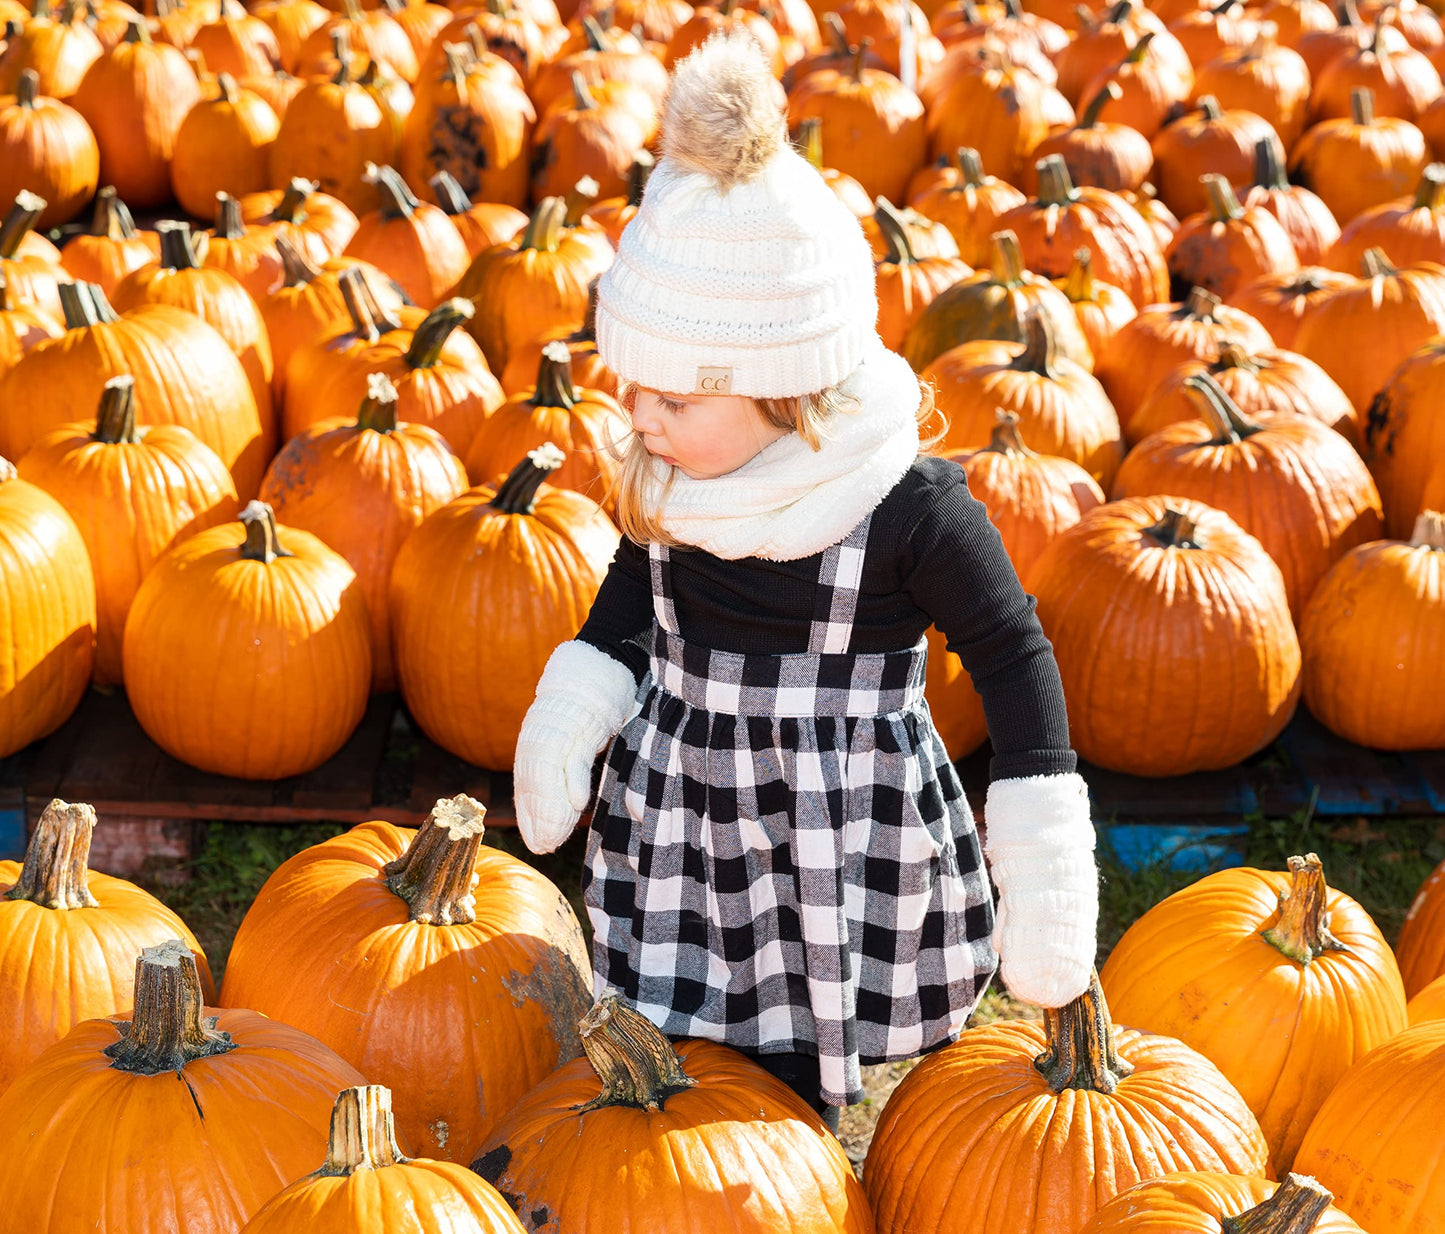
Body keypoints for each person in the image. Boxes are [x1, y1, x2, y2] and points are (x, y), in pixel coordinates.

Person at [512, 31, 1098, 1131]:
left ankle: (800, 1134)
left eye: (672, 397)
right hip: (691, 817)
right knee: (695, 1025)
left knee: (805, 1023)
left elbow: (1014, 656)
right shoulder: (672, 478)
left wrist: (1043, 855)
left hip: (842, 831)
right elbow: (625, 612)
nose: (637, 417)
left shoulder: (908, 509)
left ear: (783, 388)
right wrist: (569, 717)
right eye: (629, 384)